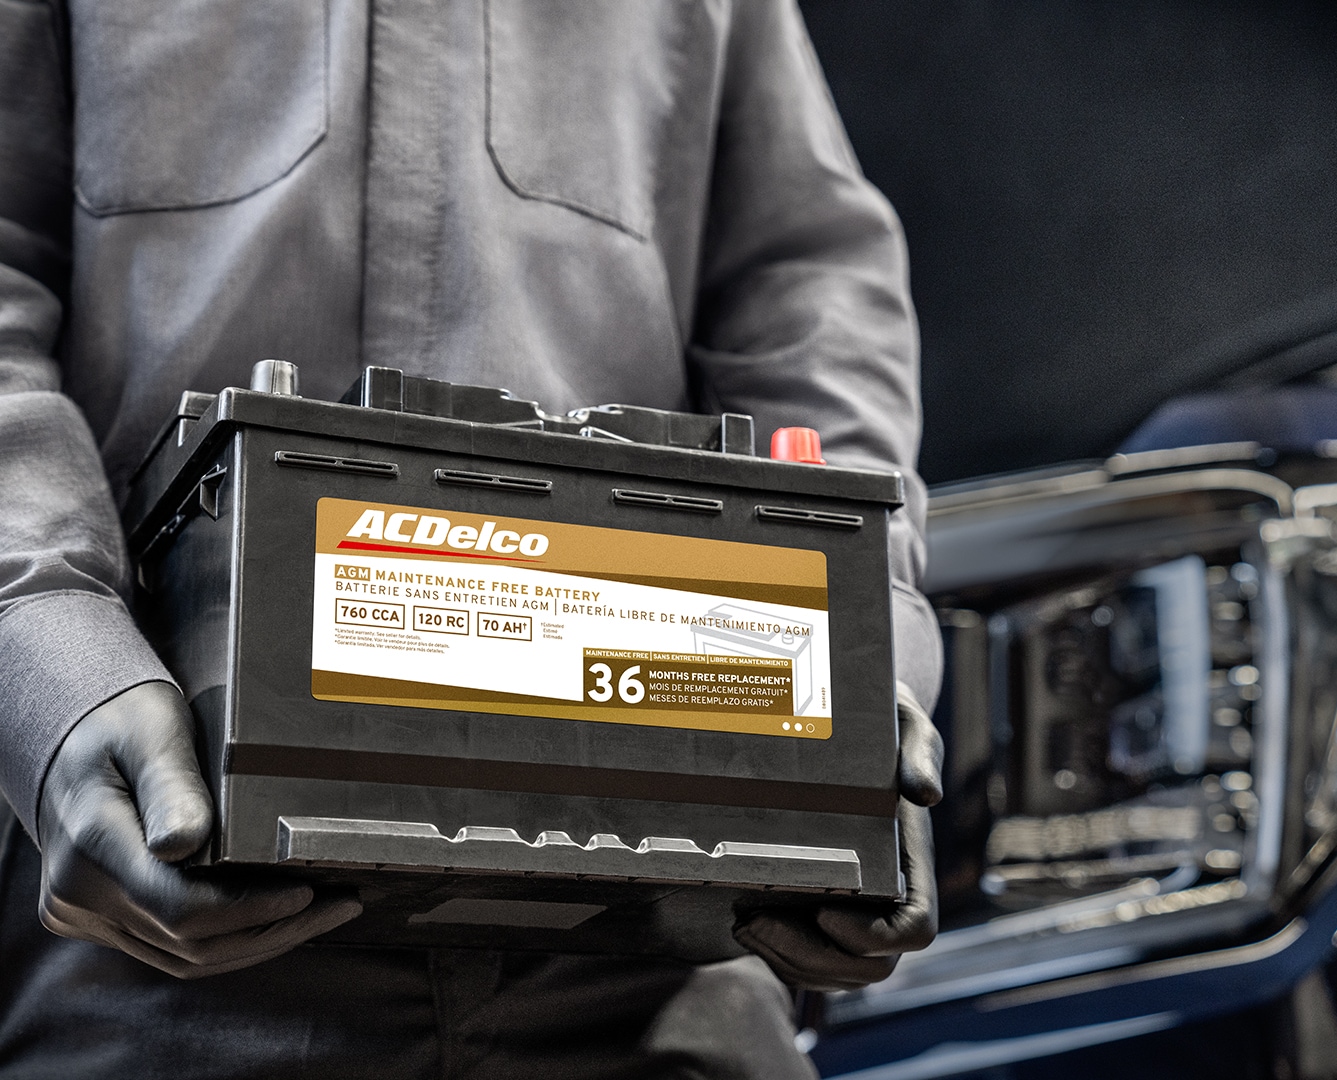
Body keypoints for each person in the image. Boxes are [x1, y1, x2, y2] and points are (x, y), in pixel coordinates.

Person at [0, 1, 945, 1076]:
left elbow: (810, 294)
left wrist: (859, 673)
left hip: (658, 958)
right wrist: (55, 672)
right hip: (157, 933)